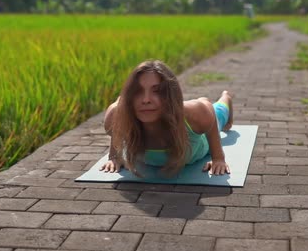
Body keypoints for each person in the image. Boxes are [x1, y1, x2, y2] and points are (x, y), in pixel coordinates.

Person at [100, 59, 233, 177]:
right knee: (202, 109)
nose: (146, 100)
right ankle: (201, 101)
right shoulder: (115, 115)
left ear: (170, 95)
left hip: (199, 144)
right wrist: (114, 156)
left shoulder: (195, 115)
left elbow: (207, 112)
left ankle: (225, 97)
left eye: (157, 91)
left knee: (217, 113)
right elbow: (117, 128)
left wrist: (218, 158)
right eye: (138, 92)